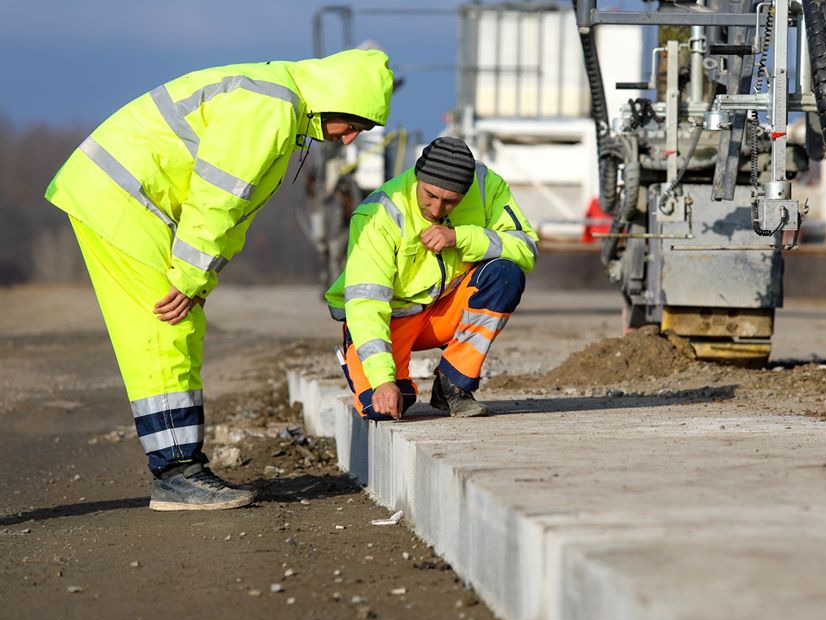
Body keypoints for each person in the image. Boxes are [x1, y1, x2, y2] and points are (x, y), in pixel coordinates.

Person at [44, 49, 394, 511]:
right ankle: (176, 474)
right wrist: (189, 277)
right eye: (352, 124)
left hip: (123, 194)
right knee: (164, 331)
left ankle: (179, 468)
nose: (348, 141)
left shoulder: (282, 109)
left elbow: (236, 215)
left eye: (360, 133)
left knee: (177, 326)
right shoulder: (271, 106)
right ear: (336, 99)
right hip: (123, 197)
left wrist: (200, 280)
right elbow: (218, 197)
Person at [325, 137, 539, 421]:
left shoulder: (487, 186)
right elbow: (365, 301)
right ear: (417, 178)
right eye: (430, 195)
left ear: (467, 190)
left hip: (445, 311)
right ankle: (381, 376)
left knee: (505, 275)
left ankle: (454, 385)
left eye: (451, 201)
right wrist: (381, 379)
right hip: (392, 320)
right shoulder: (380, 212)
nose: (437, 209)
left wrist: (461, 238)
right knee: (382, 409)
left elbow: (526, 248)